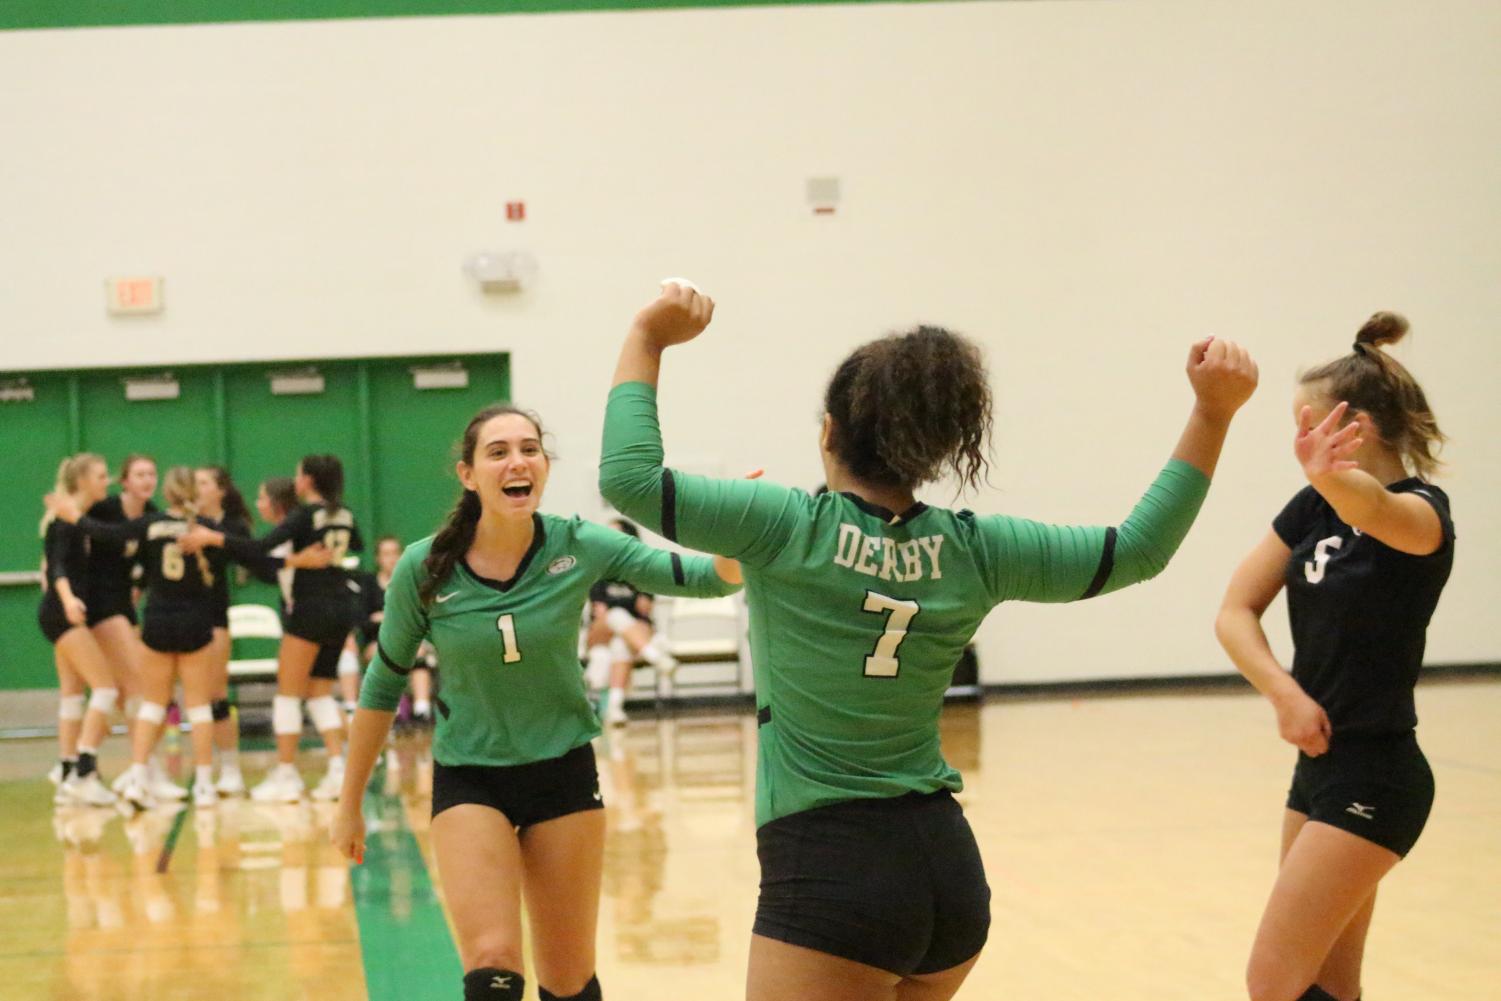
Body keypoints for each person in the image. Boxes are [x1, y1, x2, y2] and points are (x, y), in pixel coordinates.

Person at [599, 282, 1259, 1001]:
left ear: (828, 432)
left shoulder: (783, 523)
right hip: (946, 872)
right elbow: (1137, 549)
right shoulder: (976, 547)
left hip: (830, 871)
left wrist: (647, 336)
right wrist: (1211, 413)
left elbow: (627, 479)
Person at [330, 404, 742, 1001]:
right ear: (468, 475)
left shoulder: (579, 543)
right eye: (498, 452)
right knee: (494, 966)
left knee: (568, 980)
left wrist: (739, 537)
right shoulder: (424, 567)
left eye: (530, 448)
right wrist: (349, 803)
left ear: (544, 466)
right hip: (471, 775)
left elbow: (708, 578)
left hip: (563, 772)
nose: (517, 461)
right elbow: (381, 685)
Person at [1215, 312, 1453, 1001]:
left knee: (1271, 981)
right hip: (1315, 769)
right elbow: (1233, 611)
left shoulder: (1421, 512)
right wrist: (1283, 692)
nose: (1298, 441)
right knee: (1327, 983)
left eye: (1308, 424)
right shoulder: (1310, 508)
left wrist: (1329, 479)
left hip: (1377, 774)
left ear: (1359, 429)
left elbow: (1377, 511)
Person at [182, 455, 361, 802]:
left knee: (288, 694)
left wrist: (213, 539)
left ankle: (286, 773)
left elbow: (261, 549)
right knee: (319, 693)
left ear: (307, 481)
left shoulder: (304, 515)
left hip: (312, 607)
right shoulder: (345, 513)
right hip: (342, 606)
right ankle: (339, 770)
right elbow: (355, 546)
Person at [53, 467, 234, 808]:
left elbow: (110, 534)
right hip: (196, 621)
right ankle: (206, 785)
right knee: (198, 706)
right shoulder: (207, 529)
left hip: (158, 622)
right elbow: (242, 550)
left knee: (152, 702)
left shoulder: (150, 524)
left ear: (167, 493)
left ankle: (138, 779)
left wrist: (75, 517)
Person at [40, 454, 120, 807]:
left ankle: (67, 768)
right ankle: (85, 772)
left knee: (73, 695)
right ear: (83, 480)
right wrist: (70, 599)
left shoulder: (79, 517)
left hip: (61, 615)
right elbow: (56, 566)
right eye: (102, 476)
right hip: (62, 614)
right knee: (105, 688)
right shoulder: (65, 519)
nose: (108, 481)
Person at [582, 517, 678, 726]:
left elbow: (644, 609)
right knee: (615, 615)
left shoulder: (642, 570)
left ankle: (615, 709)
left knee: (618, 647)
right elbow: (600, 614)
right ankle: (654, 655)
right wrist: (624, 607)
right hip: (601, 633)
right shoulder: (597, 569)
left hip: (629, 636)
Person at [356, 535, 437, 728]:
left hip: (411, 639)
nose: (391, 558)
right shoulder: (368, 584)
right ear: (378, 558)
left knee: (417, 653)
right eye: (386, 554)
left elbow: (421, 617)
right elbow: (362, 621)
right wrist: (386, 619)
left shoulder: (410, 582)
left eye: (395, 553)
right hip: (376, 642)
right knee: (386, 654)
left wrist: (385, 617)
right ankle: (397, 711)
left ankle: (422, 709)